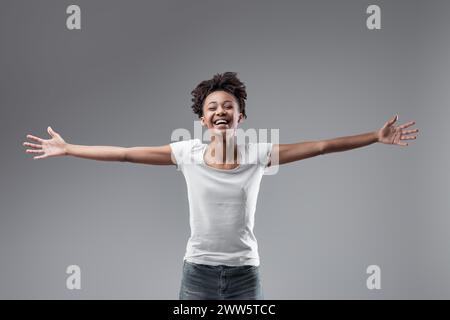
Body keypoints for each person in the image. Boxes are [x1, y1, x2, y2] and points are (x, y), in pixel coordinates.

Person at [22, 72, 419, 300]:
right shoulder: (186, 153)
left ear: (241, 116)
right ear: (203, 119)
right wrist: (70, 148)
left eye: (228, 105)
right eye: (212, 107)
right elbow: (126, 153)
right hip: (196, 274)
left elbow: (320, 147)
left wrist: (374, 135)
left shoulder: (259, 154)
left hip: (245, 274)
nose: (220, 111)